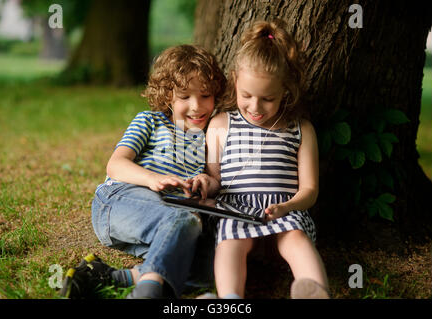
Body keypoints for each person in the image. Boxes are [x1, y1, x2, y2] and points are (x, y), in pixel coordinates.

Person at [60, 44, 226, 299]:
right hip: (120, 201)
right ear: (167, 95)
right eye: (185, 96)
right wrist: (153, 179)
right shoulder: (149, 121)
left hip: (166, 222)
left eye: (205, 95)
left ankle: (109, 276)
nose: (197, 106)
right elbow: (115, 165)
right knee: (183, 219)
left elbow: (214, 182)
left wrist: (206, 181)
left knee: (209, 266)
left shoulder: (207, 137)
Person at [201, 20, 330, 299]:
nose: (255, 107)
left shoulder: (300, 128)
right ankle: (230, 299)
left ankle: (316, 291)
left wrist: (288, 206)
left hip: (284, 212)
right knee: (230, 242)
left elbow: (309, 190)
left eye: (268, 98)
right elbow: (214, 179)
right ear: (235, 81)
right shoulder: (222, 124)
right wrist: (203, 184)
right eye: (246, 95)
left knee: (295, 239)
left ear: (286, 90)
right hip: (237, 212)